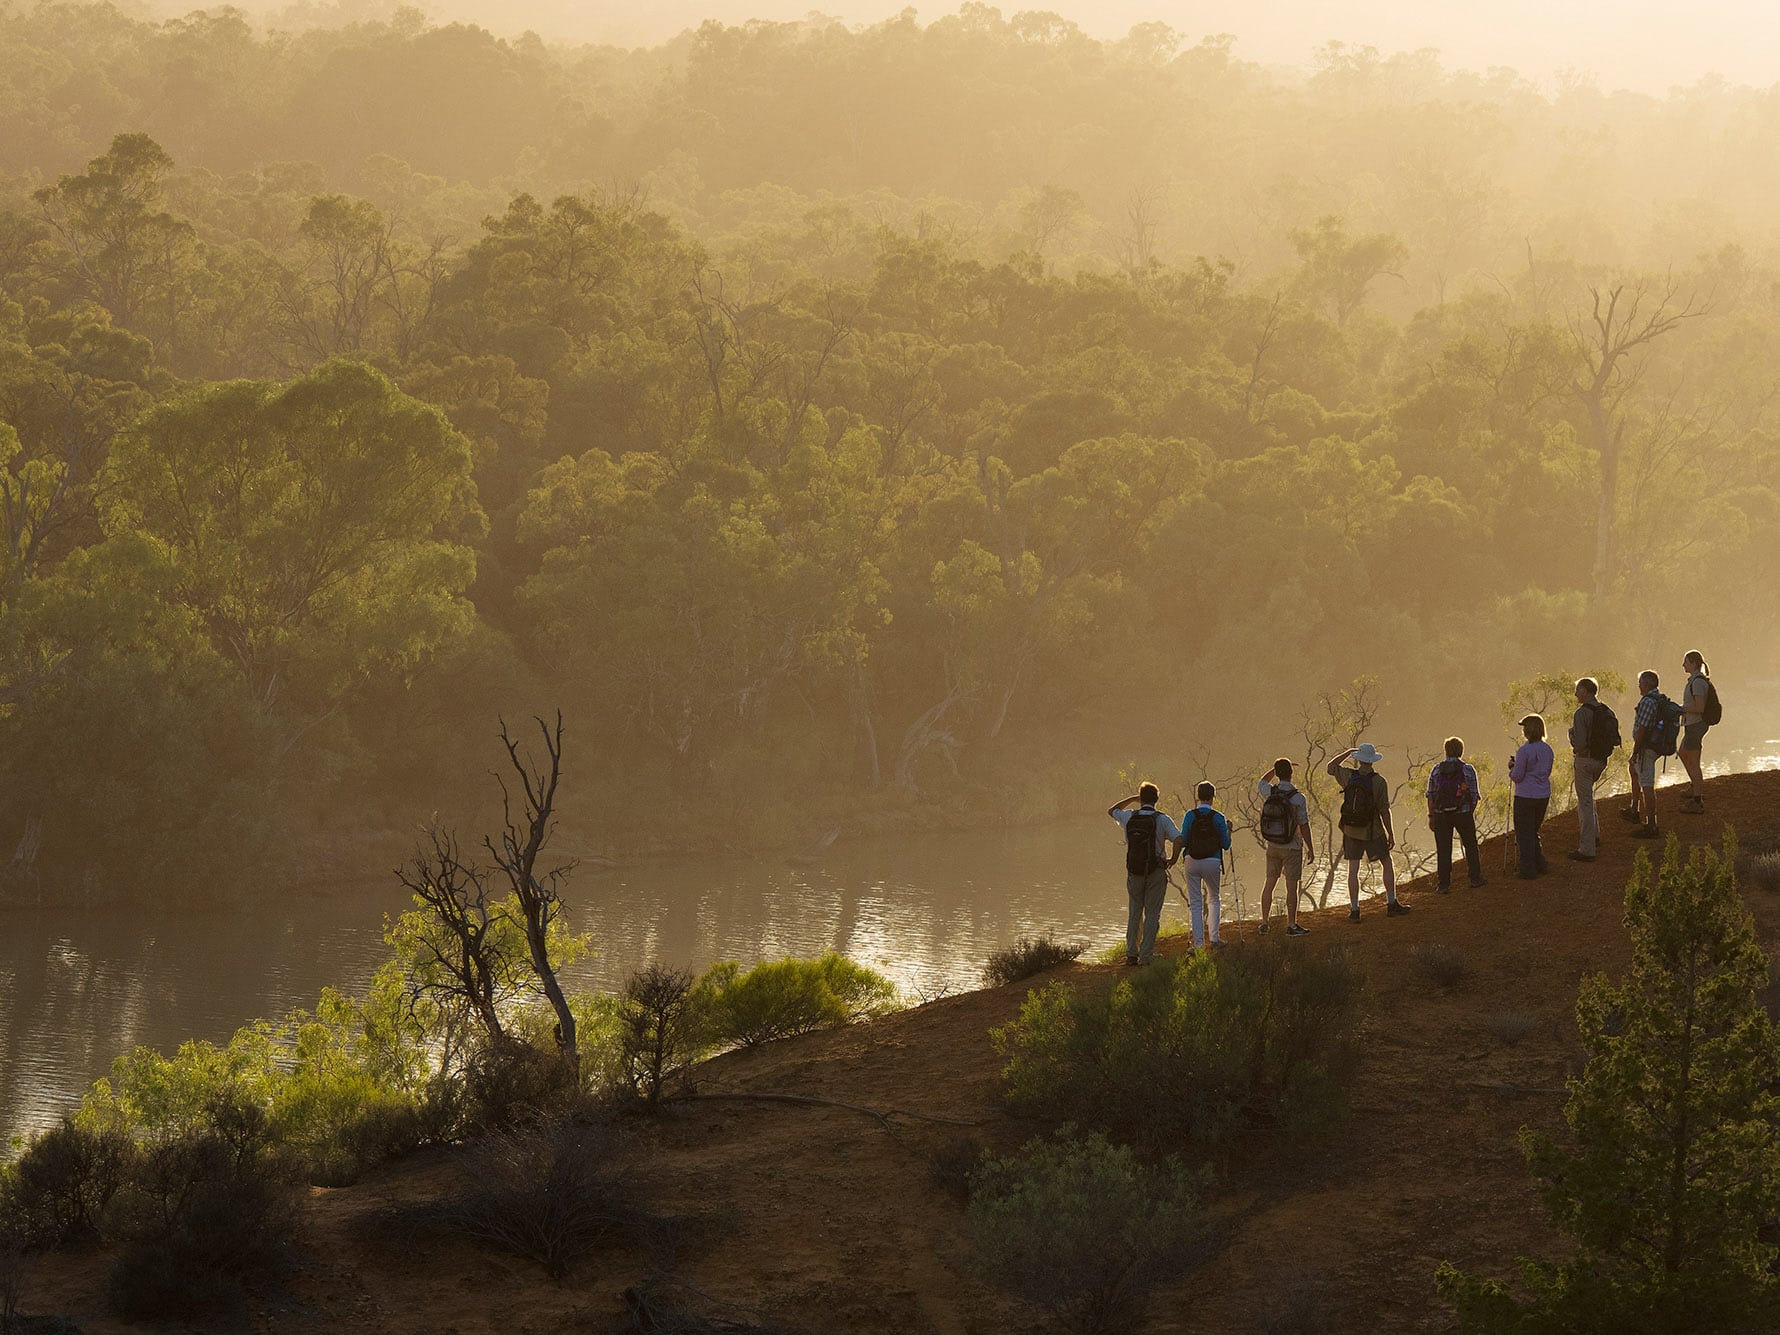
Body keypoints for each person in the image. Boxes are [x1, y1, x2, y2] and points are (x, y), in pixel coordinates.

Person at [1327, 744, 1408, 919]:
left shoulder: (1348, 776)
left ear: (1359, 759)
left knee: (1353, 869)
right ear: (1372, 761)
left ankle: (1355, 910)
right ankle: (1391, 903)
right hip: (1373, 830)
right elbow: (1384, 810)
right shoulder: (1379, 782)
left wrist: (1348, 752)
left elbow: (1330, 767)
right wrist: (1391, 833)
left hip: (1350, 829)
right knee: (1386, 862)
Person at [1109, 783, 1182, 965]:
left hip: (1134, 872)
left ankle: (1131, 954)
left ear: (1141, 799)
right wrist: (1173, 859)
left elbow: (1112, 810)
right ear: (1156, 800)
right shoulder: (1163, 819)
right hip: (1156, 871)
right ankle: (1146, 956)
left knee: (1134, 913)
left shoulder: (1129, 817)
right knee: (1152, 914)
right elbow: (1179, 839)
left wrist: (1133, 799)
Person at [1256, 759, 1315, 937]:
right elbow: (1304, 825)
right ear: (1292, 773)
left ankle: (1265, 923)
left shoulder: (1270, 792)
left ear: (1278, 773)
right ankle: (1291, 924)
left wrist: (1274, 769)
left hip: (1272, 845)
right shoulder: (1298, 798)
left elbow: (1261, 781)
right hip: (1292, 846)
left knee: (1269, 884)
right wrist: (1310, 848)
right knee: (1292, 887)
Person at [1567, 676, 1618, 862]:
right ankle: (1594, 836)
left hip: (1585, 761)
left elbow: (1579, 745)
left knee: (1585, 802)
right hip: (1601, 760)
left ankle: (1587, 849)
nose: (1575, 694)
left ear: (1586, 691)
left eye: (1578, 690)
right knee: (1589, 797)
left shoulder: (1581, 714)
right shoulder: (1606, 711)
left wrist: (1571, 736)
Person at [1177, 782, 1232, 949]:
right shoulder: (1218, 817)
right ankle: (1214, 939)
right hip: (1212, 860)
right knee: (1214, 898)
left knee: (1195, 903)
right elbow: (1226, 844)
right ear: (1213, 797)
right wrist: (1229, 830)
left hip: (1192, 861)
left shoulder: (1190, 815)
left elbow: (1184, 840)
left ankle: (1198, 945)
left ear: (1197, 796)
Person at [1425, 737, 1484, 892]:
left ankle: (1444, 884)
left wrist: (1431, 816)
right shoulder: (1468, 770)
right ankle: (1475, 878)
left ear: (1445, 751)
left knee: (1443, 849)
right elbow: (1474, 794)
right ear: (1461, 751)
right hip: (1462, 813)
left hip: (1441, 814)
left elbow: (1430, 795)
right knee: (1470, 845)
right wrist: (1468, 811)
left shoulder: (1436, 770)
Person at [1621, 670, 1666, 839]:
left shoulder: (1648, 701)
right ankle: (1634, 809)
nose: (1638, 685)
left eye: (1640, 682)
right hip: (1649, 747)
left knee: (1647, 784)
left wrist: (1635, 751)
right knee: (1633, 770)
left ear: (1646, 684)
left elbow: (1642, 730)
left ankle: (1652, 825)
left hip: (1646, 748)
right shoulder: (1656, 699)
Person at [1509, 715, 1554, 879]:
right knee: (1533, 830)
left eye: (1524, 727)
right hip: (1542, 794)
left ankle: (1527, 868)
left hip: (1525, 795)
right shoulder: (1547, 749)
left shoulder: (1524, 751)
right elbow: (1547, 771)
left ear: (1528, 730)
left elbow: (1518, 776)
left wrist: (1511, 770)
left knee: (1523, 832)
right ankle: (1540, 863)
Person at [1677, 650, 1714, 814]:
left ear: (1692, 662)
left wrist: (1682, 709)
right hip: (1692, 725)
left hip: (1696, 725)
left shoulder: (1698, 682)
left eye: (1685, 661)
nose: (1683, 665)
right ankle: (1694, 787)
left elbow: (1700, 707)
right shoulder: (1695, 680)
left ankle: (1697, 801)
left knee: (1693, 761)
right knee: (1683, 753)